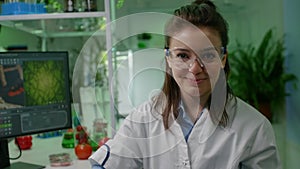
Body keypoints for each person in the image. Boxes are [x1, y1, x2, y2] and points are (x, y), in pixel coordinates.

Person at [89, 0, 282, 168]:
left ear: (223, 58)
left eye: (207, 55)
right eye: (183, 55)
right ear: (168, 59)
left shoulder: (254, 127)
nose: (195, 68)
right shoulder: (143, 120)